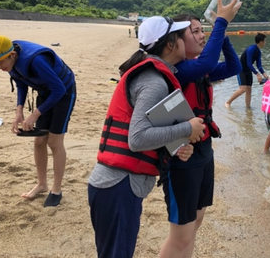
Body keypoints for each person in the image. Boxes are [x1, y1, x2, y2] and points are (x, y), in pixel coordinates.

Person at [87, 16, 206, 258]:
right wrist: (187, 129)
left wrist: (179, 147)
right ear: (170, 44)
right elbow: (138, 138)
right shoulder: (154, 81)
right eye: (181, 36)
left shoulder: (154, 75)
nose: (187, 40)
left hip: (119, 185)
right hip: (117, 185)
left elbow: (151, 130)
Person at [159, 0, 242, 258]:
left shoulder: (200, 71)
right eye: (195, 32)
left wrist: (223, 33)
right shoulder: (179, 70)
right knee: (181, 234)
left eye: (202, 30)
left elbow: (233, 66)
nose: (201, 36)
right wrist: (221, 23)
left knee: (197, 220)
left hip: (204, 151)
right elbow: (207, 62)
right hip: (183, 155)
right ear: (176, 42)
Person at [0, 35, 76, 207]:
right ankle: (41, 184)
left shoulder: (36, 61)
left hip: (64, 93)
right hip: (45, 92)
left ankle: (56, 190)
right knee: (39, 141)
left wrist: (35, 115)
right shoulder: (9, 63)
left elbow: (59, 89)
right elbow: (20, 83)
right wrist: (19, 111)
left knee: (54, 142)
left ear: (12, 54)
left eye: (0, 62)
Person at [225, 33, 268, 108]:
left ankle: (248, 108)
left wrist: (264, 74)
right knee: (243, 89)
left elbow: (259, 65)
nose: (265, 42)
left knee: (249, 90)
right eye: (265, 41)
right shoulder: (251, 49)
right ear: (261, 41)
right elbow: (249, 64)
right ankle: (228, 102)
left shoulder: (258, 52)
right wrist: (257, 74)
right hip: (240, 69)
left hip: (248, 71)